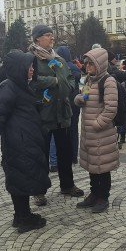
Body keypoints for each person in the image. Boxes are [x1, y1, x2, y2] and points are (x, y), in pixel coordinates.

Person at [0, 51, 50, 233]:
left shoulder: (21, 85)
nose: (32, 69)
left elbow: (23, 107)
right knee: (20, 178)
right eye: (30, 66)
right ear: (20, 68)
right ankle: (22, 218)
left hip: (26, 138)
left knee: (24, 177)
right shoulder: (8, 86)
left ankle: (22, 215)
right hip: (19, 141)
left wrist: (38, 105)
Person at [28, 25, 83, 205]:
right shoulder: (31, 59)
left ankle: (67, 185)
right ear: (37, 39)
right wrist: (54, 81)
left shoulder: (57, 58)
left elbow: (70, 79)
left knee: (65, 153)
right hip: (43, 114)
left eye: (52, 35)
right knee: (41, 154)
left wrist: (65, 85)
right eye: (47, 35)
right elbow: (31, 82)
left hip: (62, 113)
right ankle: (39, 191)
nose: (52, 38)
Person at [74, 48, 119, 213]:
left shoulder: (108, 81)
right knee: (92, 165)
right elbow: (84, 97)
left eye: (90, 63)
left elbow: (111, 109)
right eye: (86, 63)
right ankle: (94, 193)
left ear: (99, 64)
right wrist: (79, 99)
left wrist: (97, 124)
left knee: (103, 167)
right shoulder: (88, 81)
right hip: (89, 134)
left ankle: (103, 197)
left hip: (101, 133)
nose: (87, 67)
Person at [57, 44, 82, 165]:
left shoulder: (59, 66)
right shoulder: (76, 68)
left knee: (63, 129)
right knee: (74, 129)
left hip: (64, 102)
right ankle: (74, 156)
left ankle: (64, 154)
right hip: (75, 102)